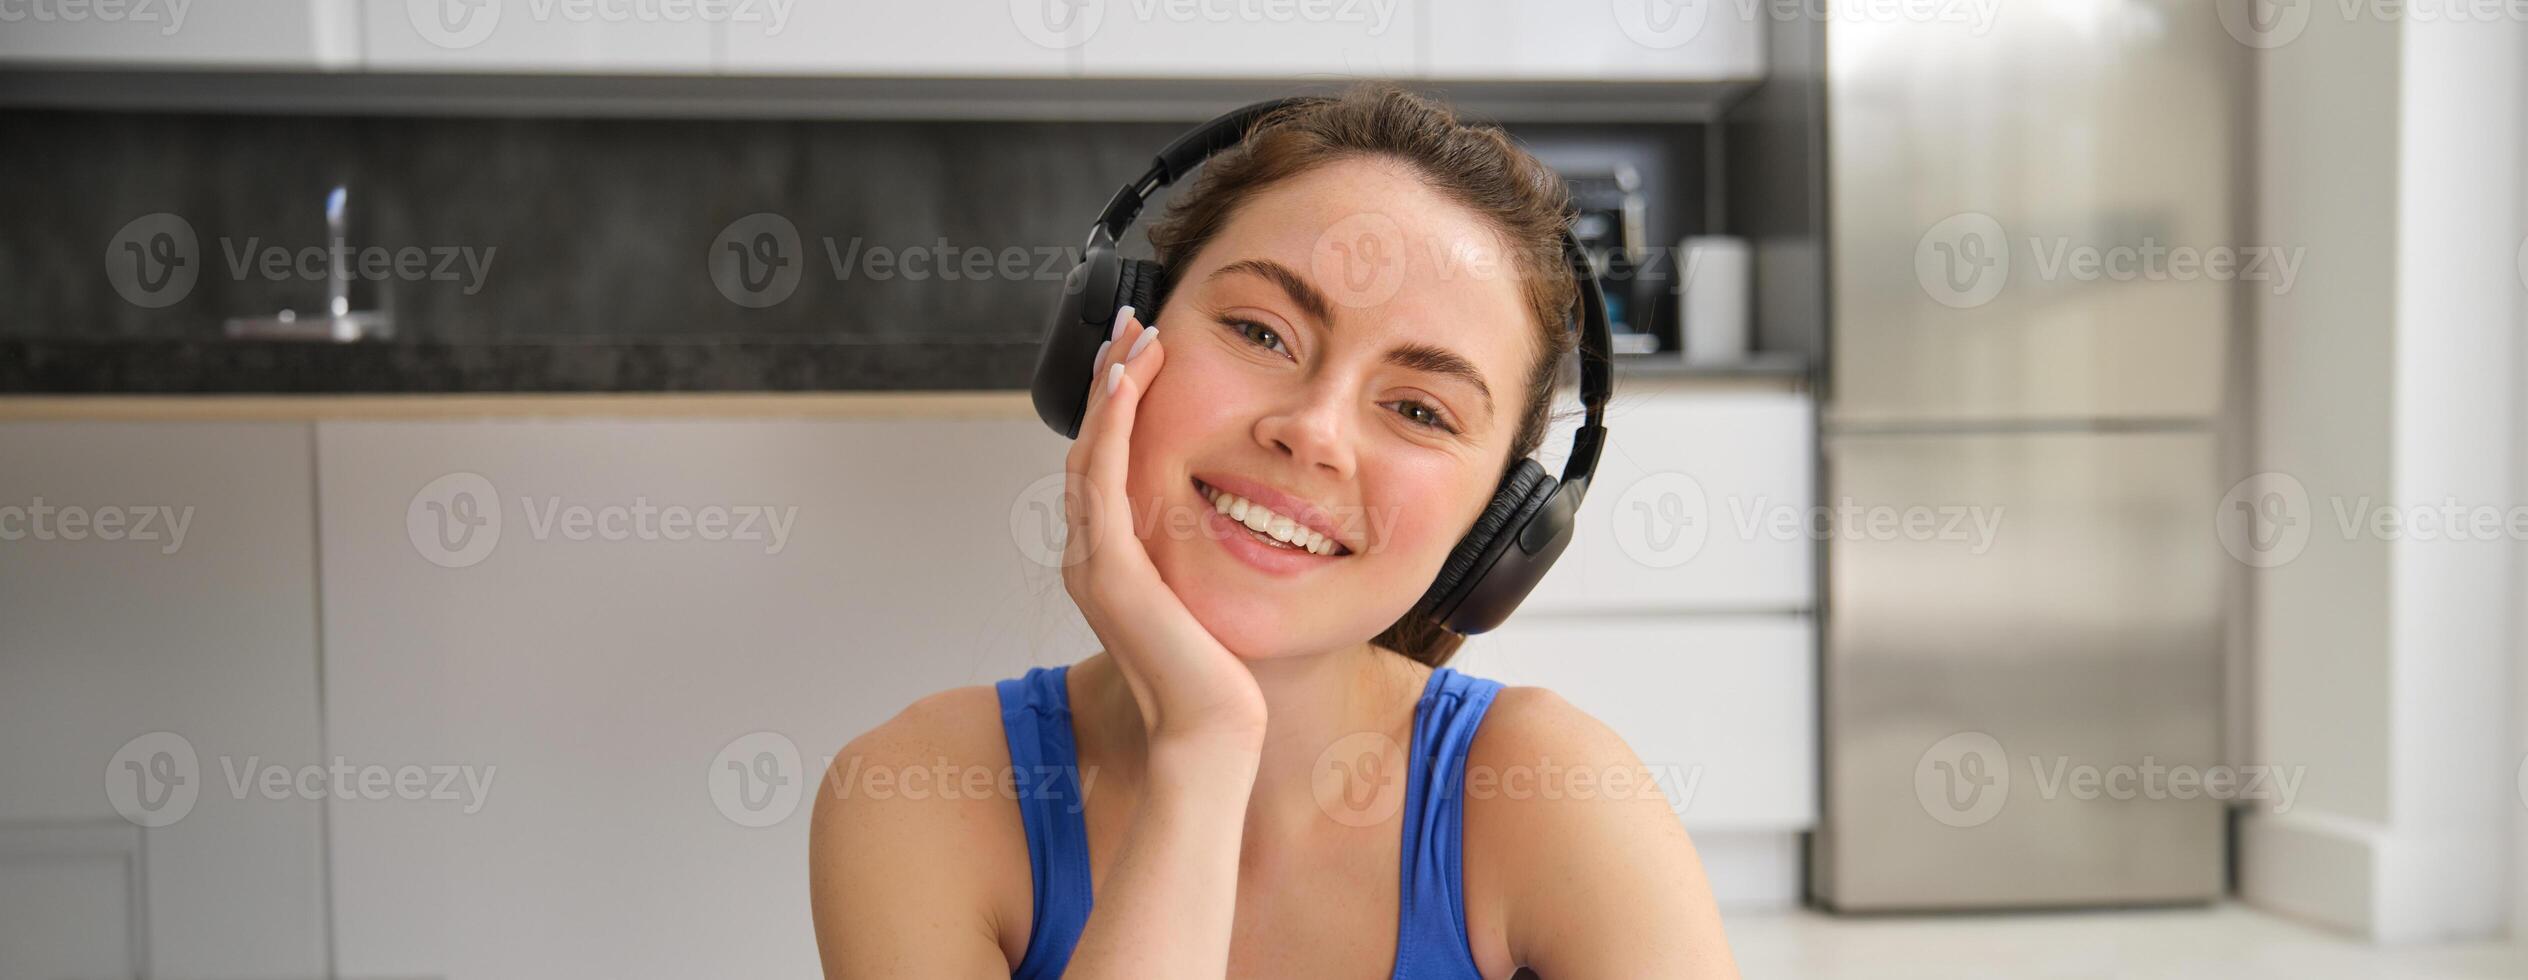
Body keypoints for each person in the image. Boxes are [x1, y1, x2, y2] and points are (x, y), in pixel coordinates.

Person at [809, 81, 1739, 979]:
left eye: (1420, 411)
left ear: (1500, 527)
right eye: (1261, 334)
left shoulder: (1553, 795)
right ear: (1114, 345)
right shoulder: (925, 790)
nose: (1314, 431)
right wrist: (1202, 751)